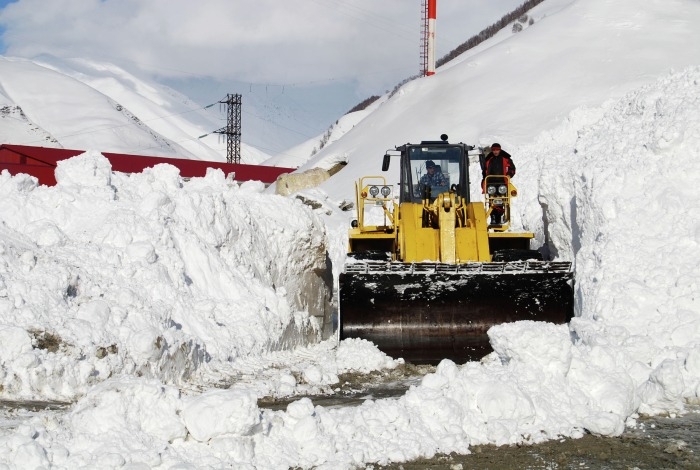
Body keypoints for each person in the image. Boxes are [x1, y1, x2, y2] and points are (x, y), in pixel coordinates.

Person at [481, 143, 516, 225]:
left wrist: (509, 174)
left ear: (500, 150)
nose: (495, 152)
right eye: (494, 150)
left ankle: (500, 216)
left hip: (502, 182)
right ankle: (492, 216)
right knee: (491, 200)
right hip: (491, 183)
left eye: (497, 150)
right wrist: (484, 180)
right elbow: (484, 171)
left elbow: (512, 168)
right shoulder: (489, 159)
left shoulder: (505, 158)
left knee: (501, 200)